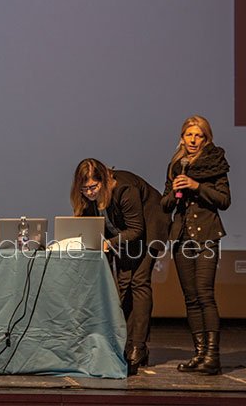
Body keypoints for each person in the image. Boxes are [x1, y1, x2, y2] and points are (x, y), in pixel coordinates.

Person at [70, 158, 169, 375]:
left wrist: (108, 243)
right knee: (124, 285)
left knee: (139, 282)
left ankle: (138, 346)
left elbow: (136, 229)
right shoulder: (88, 196)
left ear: (104, 180)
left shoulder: (124, 189)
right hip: (123, 237)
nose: (89, 193)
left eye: (93, 187)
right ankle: (128, 341)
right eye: (84, 189)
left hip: (148, 231)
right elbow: (92, 226)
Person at [160, 115, 231, 375]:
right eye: (189, 135)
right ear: (182, 137)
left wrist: (196, 185)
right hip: (181, 237)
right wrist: (173, 192)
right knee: (190, 299)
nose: (193, 139)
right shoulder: (175, 164)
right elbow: (164, 205)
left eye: (198, 135)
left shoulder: (215, 164)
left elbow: (224, 200)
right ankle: (200, 354)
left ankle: (213, 356)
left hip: (206, 236)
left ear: (205, 138)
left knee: (204, 294)